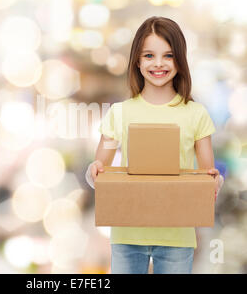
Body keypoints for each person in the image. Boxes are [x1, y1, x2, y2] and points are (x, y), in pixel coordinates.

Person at [85, 16, 224, 274]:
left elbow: (206, 176)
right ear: (137, 61)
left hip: (177, 236)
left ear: (180, 61)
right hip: (127, 233)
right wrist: (93, 170)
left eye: (168, 55)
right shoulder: (120, 112)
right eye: (149, 55)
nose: (158, 63)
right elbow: (99, 171)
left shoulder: (196, 114)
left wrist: (215, 182)